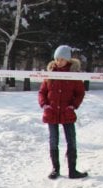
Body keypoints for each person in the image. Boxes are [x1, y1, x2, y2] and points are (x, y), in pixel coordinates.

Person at [38, 45, 87, 180]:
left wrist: (73, 106)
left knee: (71, 140)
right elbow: (42, 92)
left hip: (67, 113)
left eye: (62, 59)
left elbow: (80, 93)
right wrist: (45, 105)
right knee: (53, 141)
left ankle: (72, 169)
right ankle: (55, 169)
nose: (59, 62)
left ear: (68, 60)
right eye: (57, 59)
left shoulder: (74, 75)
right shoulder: (50, 74)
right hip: (52, 112)